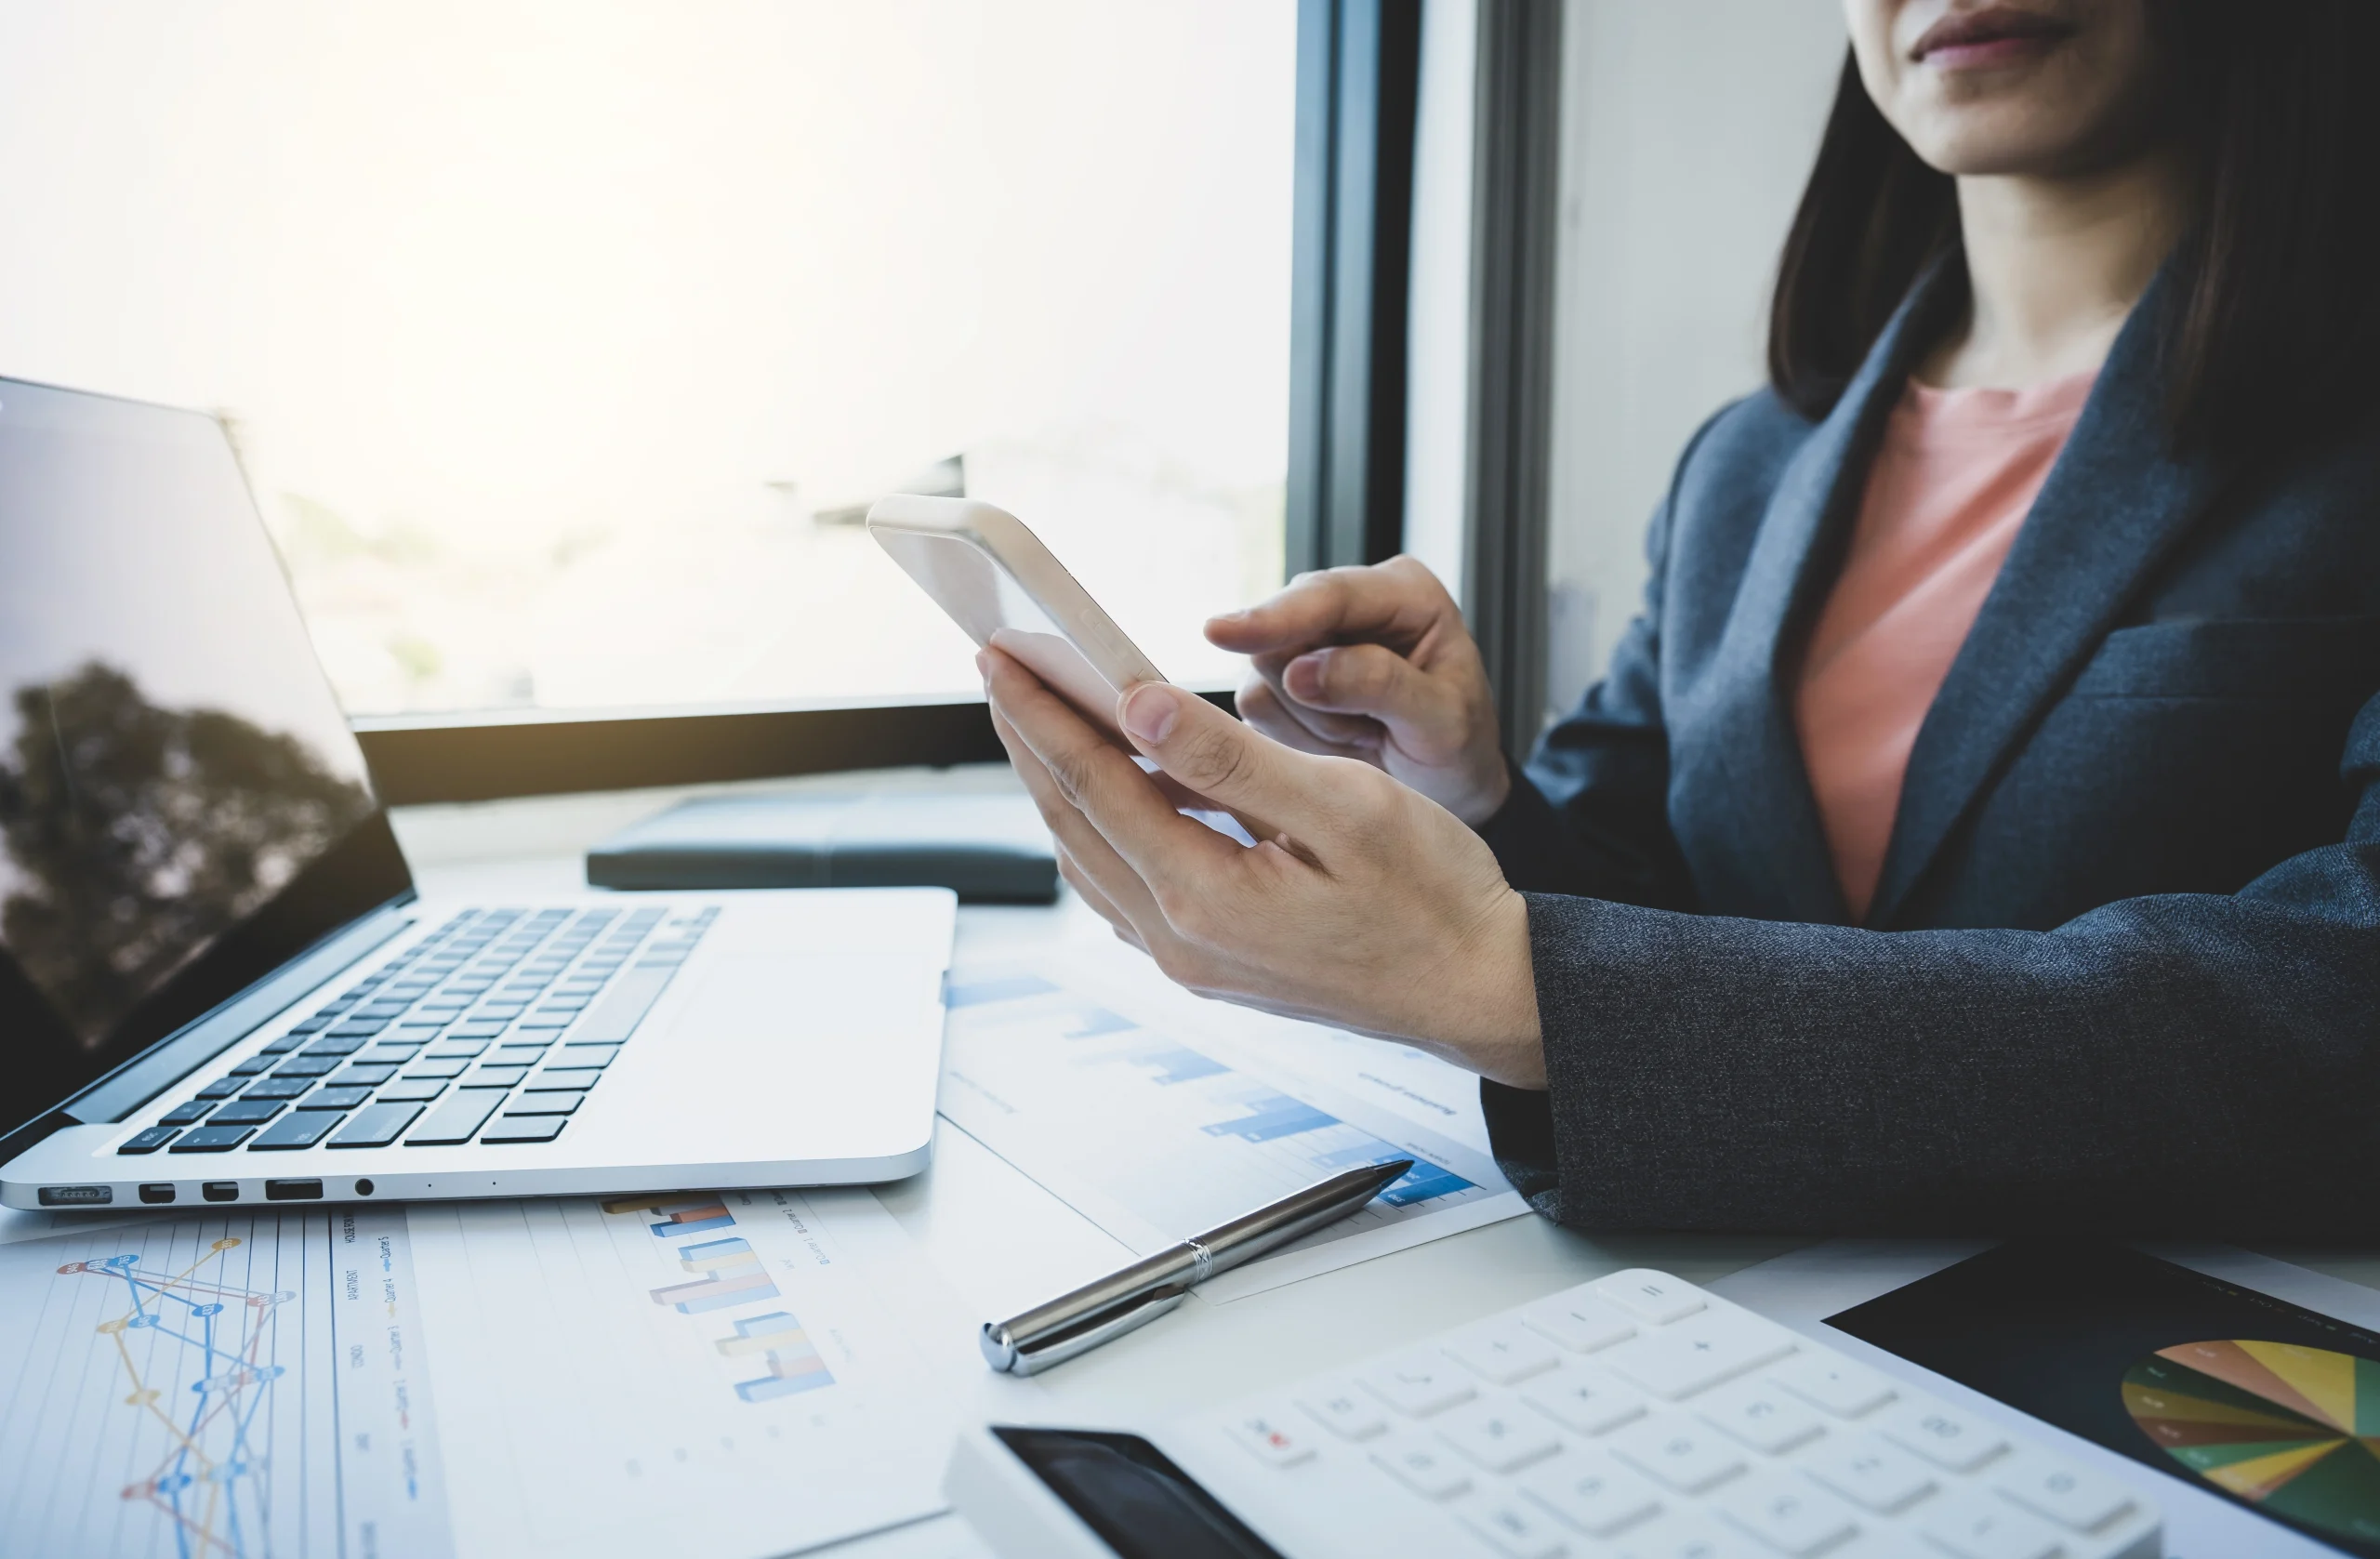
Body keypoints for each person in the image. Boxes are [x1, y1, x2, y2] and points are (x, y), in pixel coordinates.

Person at [980, 0, 2380, 1235]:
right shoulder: (1746, 471)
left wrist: (1512, 985)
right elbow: (1652, 892)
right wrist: (1467, 791)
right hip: (1736, 1297)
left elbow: (2347, 996)